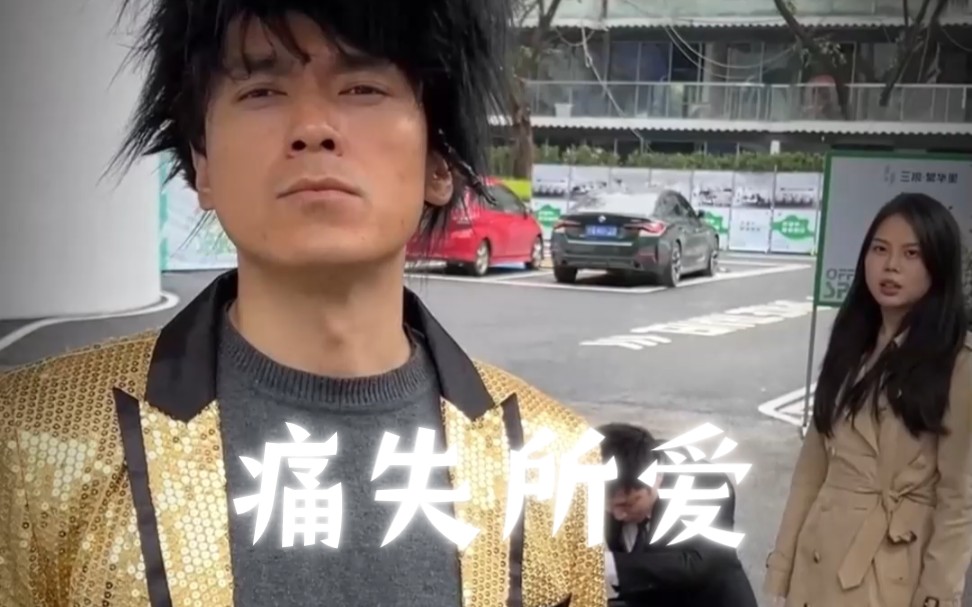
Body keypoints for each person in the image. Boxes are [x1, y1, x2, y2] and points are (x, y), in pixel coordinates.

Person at [0, 1, 607, 605]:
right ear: (201, 165)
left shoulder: (554, 461)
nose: (313, 127)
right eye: (262, 91)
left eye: (363, 88)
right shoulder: (33, 442)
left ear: (439, 161)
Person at [764, 193, 972, 607]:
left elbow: (959, 499)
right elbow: (811, 471)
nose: (890, 266)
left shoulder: (958, 362)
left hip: (889, 571)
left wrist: (936, 598)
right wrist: (782, 570)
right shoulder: (851, 343)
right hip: (818, 558)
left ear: (939, 264)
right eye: (879, 249)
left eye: (911, 254)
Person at [598, 423, 758, 607]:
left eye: (627, 504)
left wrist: (612, 565)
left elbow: (699, 563)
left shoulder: (706, 483)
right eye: (608, 507)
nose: (618, 515)